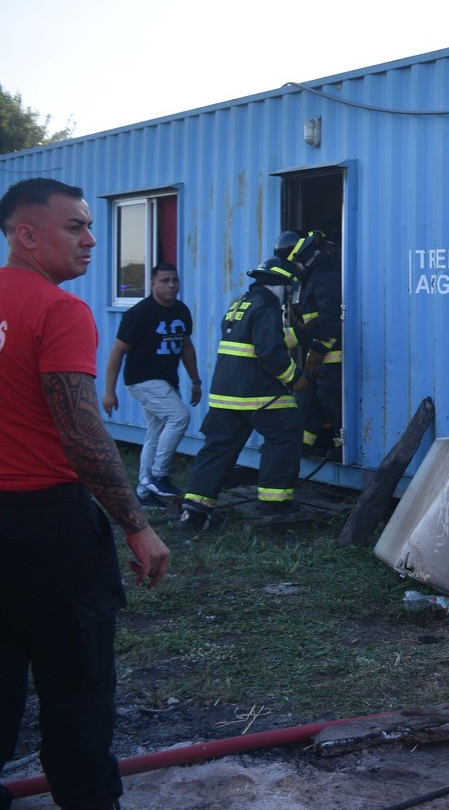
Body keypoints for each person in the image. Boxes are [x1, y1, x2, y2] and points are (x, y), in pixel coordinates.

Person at [0, 177, 170, 809]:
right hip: (49, 532)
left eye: (90, 226)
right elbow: (81, 432)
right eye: (74, 226)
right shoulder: (58, 310)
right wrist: (135, 524)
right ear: (26, 234)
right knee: (76, 692)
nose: (92, 239)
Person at [179, 257, 304, 531]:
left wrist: (301, 333)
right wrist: (295, 378)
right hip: (255, 393)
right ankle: (275, 502)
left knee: (218, 447)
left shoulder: (241, 303)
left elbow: (255, 338)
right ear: (281, 286)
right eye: (289, 289)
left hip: (225, 393)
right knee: (285, 432)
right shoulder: (269, 309)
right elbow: (269, 353)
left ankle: (195, 509)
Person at [102, 261, 202, 505]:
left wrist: (195, 380)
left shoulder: (181, 310)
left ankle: (144, 493)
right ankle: (159, 475)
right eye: (165, 281)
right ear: (152, 284)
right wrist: (109, 392)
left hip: (167, 380)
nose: (171, 285)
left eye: (174, 280)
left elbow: (186, 346)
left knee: (155, 434)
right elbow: (117, 352)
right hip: (141, 379)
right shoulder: (139, 313)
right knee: (179, 417)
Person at [275, 230, 343, 461]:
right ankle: (303, 446)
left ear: (302, 256)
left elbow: (331, 320)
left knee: (330, 398)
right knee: (306, 399)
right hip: (315, 351)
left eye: (294, 261)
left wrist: (316, 354)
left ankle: (340, 446)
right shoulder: (310, 276)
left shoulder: (327, 273)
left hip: (330, 353)